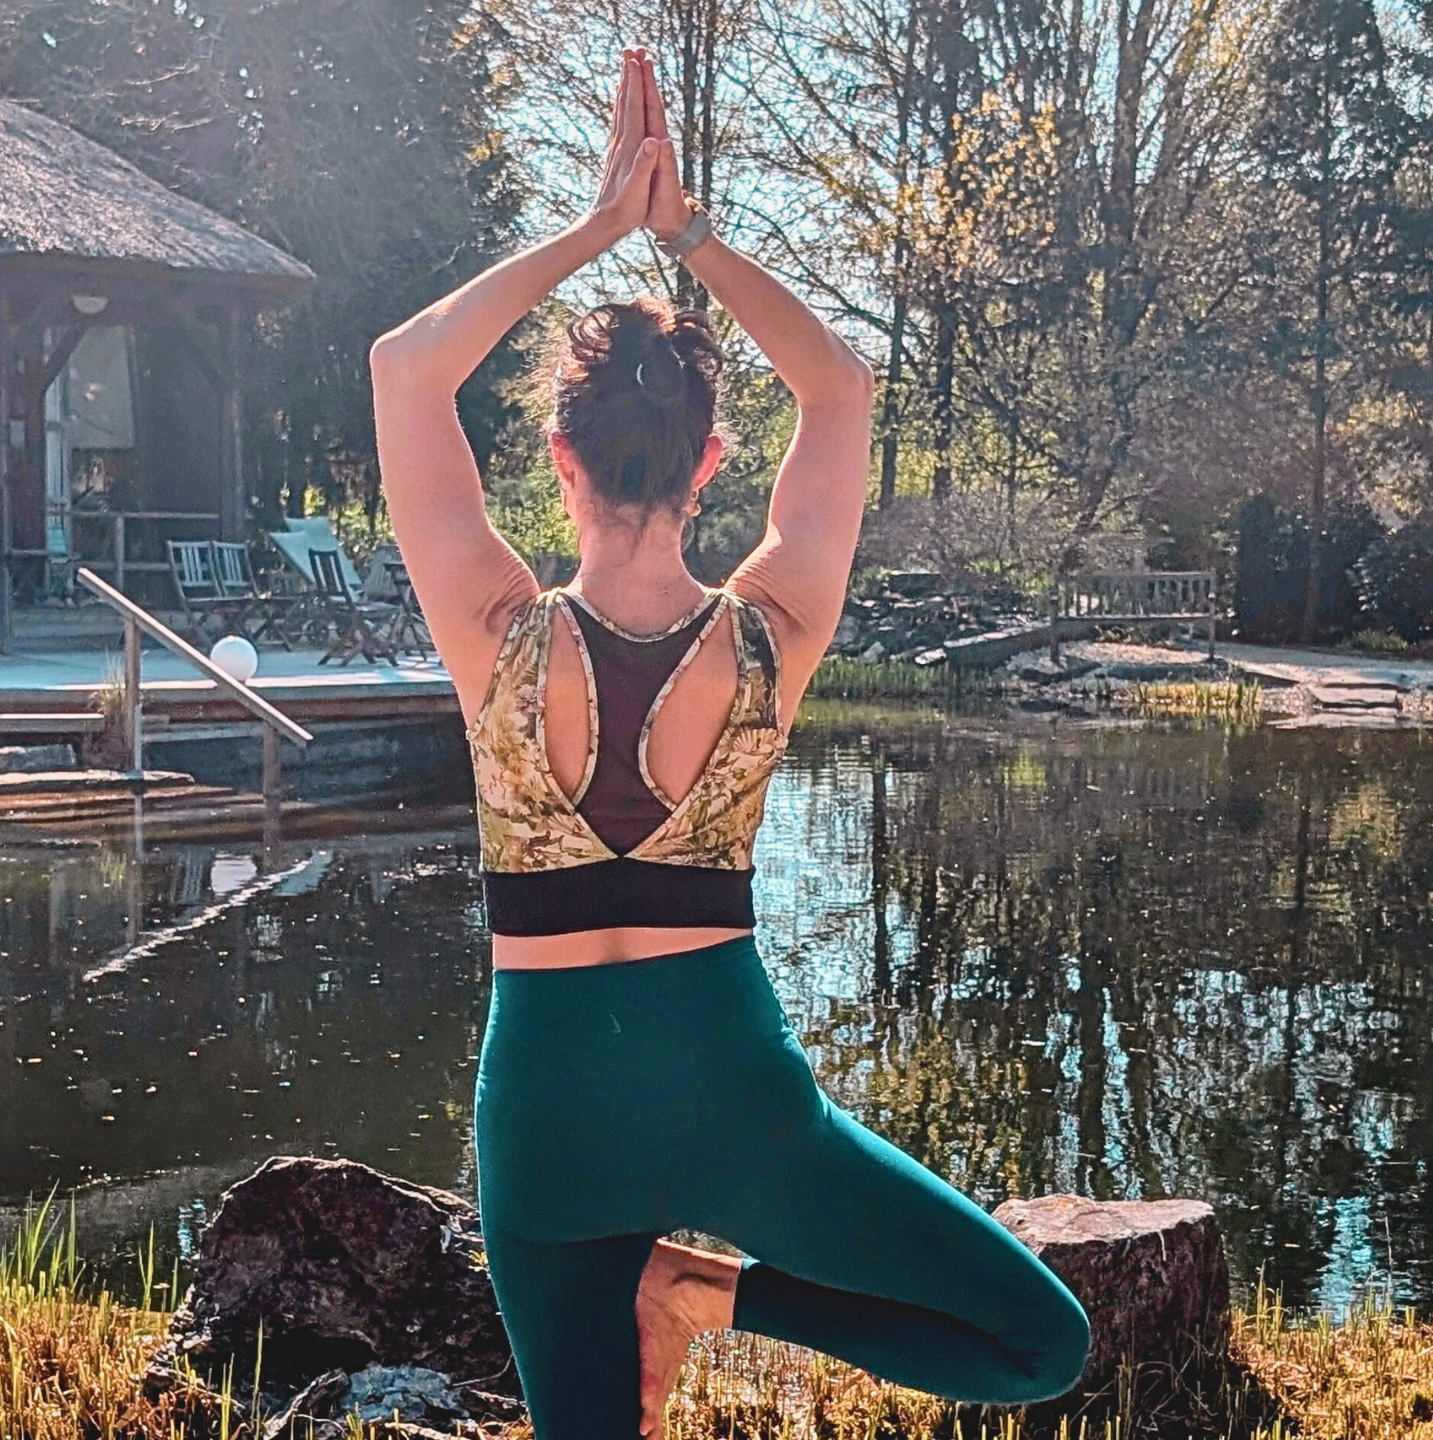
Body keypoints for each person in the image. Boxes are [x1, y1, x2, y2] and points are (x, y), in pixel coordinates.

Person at [370, 47, 1090, 1440]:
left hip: (549, 1127)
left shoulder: (493, 636)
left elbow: (406, 369)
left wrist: (594, 226)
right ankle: (707, 1296)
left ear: (560, 465)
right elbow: (840, 390)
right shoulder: (774, 637)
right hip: (737, 1108)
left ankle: (673, 1292)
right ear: (711, 466)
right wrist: (686, 230)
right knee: (1034, 1344)